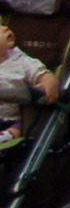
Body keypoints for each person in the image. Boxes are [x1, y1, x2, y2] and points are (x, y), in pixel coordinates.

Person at [0, 17, 61, 146]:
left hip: (13, 119)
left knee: (18, 128)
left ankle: (6, 136)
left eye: (3, 24)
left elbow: (43, 75)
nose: (5, 28)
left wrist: (49, 85)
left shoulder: (20, 60)